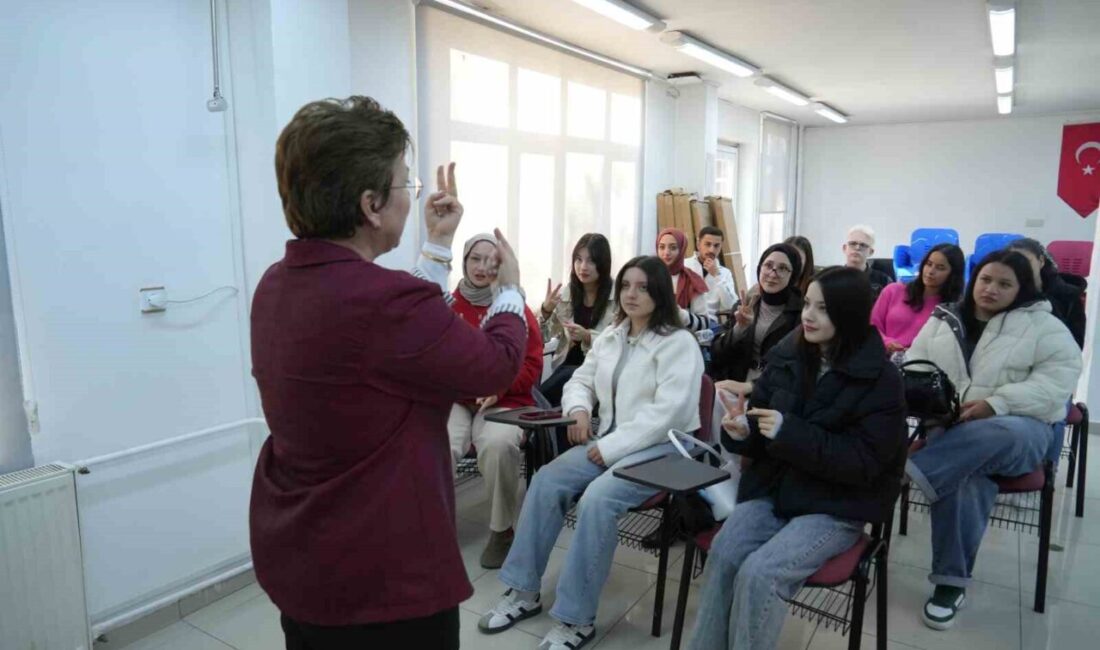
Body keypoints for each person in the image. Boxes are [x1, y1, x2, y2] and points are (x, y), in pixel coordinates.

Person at [249, 96, 529, 649]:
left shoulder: (276, 284)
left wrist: (438, 244)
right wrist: (512, 291)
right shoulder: (382, 304)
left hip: (305, 561)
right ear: (372, 203)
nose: (414, 194)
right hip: (382, 581)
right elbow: (491, 366)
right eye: (407, 184)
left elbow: (397, 337)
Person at [478, 256, 704, 650]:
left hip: (662, 448)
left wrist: (609, 446)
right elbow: (581, 378)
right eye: (627, 286)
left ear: (660, 293)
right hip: (611, 439)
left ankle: (575, 620)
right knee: (547, 480)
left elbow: (665, 414)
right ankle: (523, 592)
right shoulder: (614, 335)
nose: (632, 294)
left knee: (598, 499)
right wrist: (579, 410)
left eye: (643, 287)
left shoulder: (678, 344)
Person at [690, 266, 908, 650]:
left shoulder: (881, 380)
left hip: (836, 505)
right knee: (724, 554)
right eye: (807, 304)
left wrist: (790, 433)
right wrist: (741, 432)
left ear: (850, 314)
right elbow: (761, 428)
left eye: (822, 309)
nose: (808, 316)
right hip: (775, 490)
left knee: (761, 573)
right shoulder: (790, 355)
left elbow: (864, 464)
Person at [905, 250, 1081, 630]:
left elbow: (1057, 383)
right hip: (952, 429)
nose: (991, 289)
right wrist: (936, 400)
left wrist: (996, 403)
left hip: (1020, 431)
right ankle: (950, 584)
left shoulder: (1044, 326)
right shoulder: (944, 319)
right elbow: (915, 364)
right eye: (986, 279)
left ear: (1022, 290)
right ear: (974, 279)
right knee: (964, 480)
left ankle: (904, 474)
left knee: (997, 431)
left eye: (1004, 284)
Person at [448, 233, 544, 569]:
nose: (482, 267)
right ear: (464, 261)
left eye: (492, 260)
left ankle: (501, 530)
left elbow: (532, 365)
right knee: (436, 441)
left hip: (506, 398)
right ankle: (433, 525)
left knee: (498, 443)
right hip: (458, 397)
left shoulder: (514, 305)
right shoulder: (449, 305)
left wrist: (498, 387)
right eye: (475, 258)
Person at [709, 243, 803, 387]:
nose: (772, 273)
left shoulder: (801, 313)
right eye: (768, 265)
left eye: (783, 268)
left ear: (793, 275)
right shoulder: (745, 305)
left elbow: (797, 367)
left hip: (774, 392)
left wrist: (752, 386)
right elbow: (717, 356)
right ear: (759, 269)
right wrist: (739, 329)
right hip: (735, 384)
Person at [539, 233, 617, 406]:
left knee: (562, 381)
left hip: (600, 371)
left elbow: (620, 342)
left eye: (591, 261)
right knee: (561, 379)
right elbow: (538, 340)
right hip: (566, 367)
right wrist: (545, 311)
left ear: (603, 263)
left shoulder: (618, 297)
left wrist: (588, 336)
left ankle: (531, 413)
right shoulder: (566, 295)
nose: (583, 267)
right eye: (578, 259)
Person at [871, 243, 965, 357]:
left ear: (953, 274)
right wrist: (887, 342)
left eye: (940, 268)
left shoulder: (952, 308)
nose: (931, 271)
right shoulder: (893, 290)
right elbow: (872, 325)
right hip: (882, 357)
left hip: (922, 365)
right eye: (929, 264)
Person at [1006, 237, 1086, 348]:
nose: (1020, 267)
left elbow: (1077, 342)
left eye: (1026, 261)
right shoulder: (1006, 294)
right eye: (1013, 262)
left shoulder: (1068, 296)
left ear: (1041, 261)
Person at [656, 227, 713, 331]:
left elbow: (704, 323)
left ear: (682, 249)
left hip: (681, 342)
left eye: (673, 248)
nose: (666, 252)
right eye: (662, 247)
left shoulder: (692, 281)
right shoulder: (649, 277)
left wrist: (679, 314)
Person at [684, 226, 738, 320]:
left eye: (716, 246)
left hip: (710, 323)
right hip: (687, 320)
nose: (711, 250)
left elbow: (730, 305)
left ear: (721, 247)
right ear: (698, 244)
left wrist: (717, 276)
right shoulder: (685, 265)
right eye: (707, 244)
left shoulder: (724, 273)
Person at [842, 225, 891, 301]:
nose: (857, 248)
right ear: (844, 248)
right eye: (852, 243)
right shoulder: (832, 279)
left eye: (863, 245)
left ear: (871, 252)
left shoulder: (884, 281)